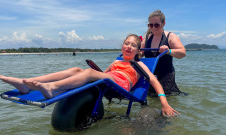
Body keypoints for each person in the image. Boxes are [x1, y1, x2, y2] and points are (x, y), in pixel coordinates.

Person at [0, 34, 179, 116]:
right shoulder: (116, 61)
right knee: (76, 70)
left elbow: (154, 81)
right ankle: (26, 83)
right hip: (110, 79)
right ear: (122, 46)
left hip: (122, 84)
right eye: (126, 43)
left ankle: (52, 88)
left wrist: (164, 103)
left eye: (133, 45)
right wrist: (95, 75)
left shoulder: (139, 63)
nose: (129, 47)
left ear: (138, 50)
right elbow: (105, 74)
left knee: (91, 73)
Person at [141, 10, 186, 96]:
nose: (153, 27)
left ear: (163, 24)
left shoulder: (170, 36)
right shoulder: (146, 38)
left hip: (166, 77)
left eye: (156, 25)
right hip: (151, 77)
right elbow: (139, 54)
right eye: (151, 25)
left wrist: (168, 51)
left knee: (169, 98)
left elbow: (183, 53)